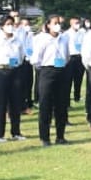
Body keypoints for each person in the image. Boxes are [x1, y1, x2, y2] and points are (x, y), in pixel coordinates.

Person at [31, 15, 71, 146]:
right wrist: (44, 69)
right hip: (47, 71)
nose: (57, 25)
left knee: (61, 104)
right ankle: (45, 137)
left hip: (62, 71)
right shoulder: (43, 39)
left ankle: (60, 136)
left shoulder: (64, 38)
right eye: (55, 23)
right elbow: (36, 59)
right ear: (48, 25)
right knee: (45, 105)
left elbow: (67, 56)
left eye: (59, 23)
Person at [0, 16, 27, 142]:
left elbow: (22, 55)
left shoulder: (18, 40)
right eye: (7, 24)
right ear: (2, 26)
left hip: (15, 71)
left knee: (15, 103)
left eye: (11, 23)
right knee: (1, 104)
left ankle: (16, 132)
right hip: (1, 71)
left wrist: (16, 64)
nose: (10, 26)